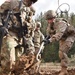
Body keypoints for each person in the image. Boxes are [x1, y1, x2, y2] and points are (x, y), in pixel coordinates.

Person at [0, 0, 37, 74]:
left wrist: (29, 27)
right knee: (8, 62)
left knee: (18, 65)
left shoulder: (30, 10)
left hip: (21, 38)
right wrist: (0, 26)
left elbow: (31, 26)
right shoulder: (12, 3)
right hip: (10, 34)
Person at [44, 10, 75, 75]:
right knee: (60, 53)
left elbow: (59, 34)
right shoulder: (50, 24)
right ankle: (63, 69)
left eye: (50, 19)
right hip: (63, 38)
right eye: (48, 20)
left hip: (70, 36)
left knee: (62, 52)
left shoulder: (61, 23)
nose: (49, 21)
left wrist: (50, 40)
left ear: (54, 18)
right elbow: (49, 32)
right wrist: (47, 37)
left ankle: (64, 70)